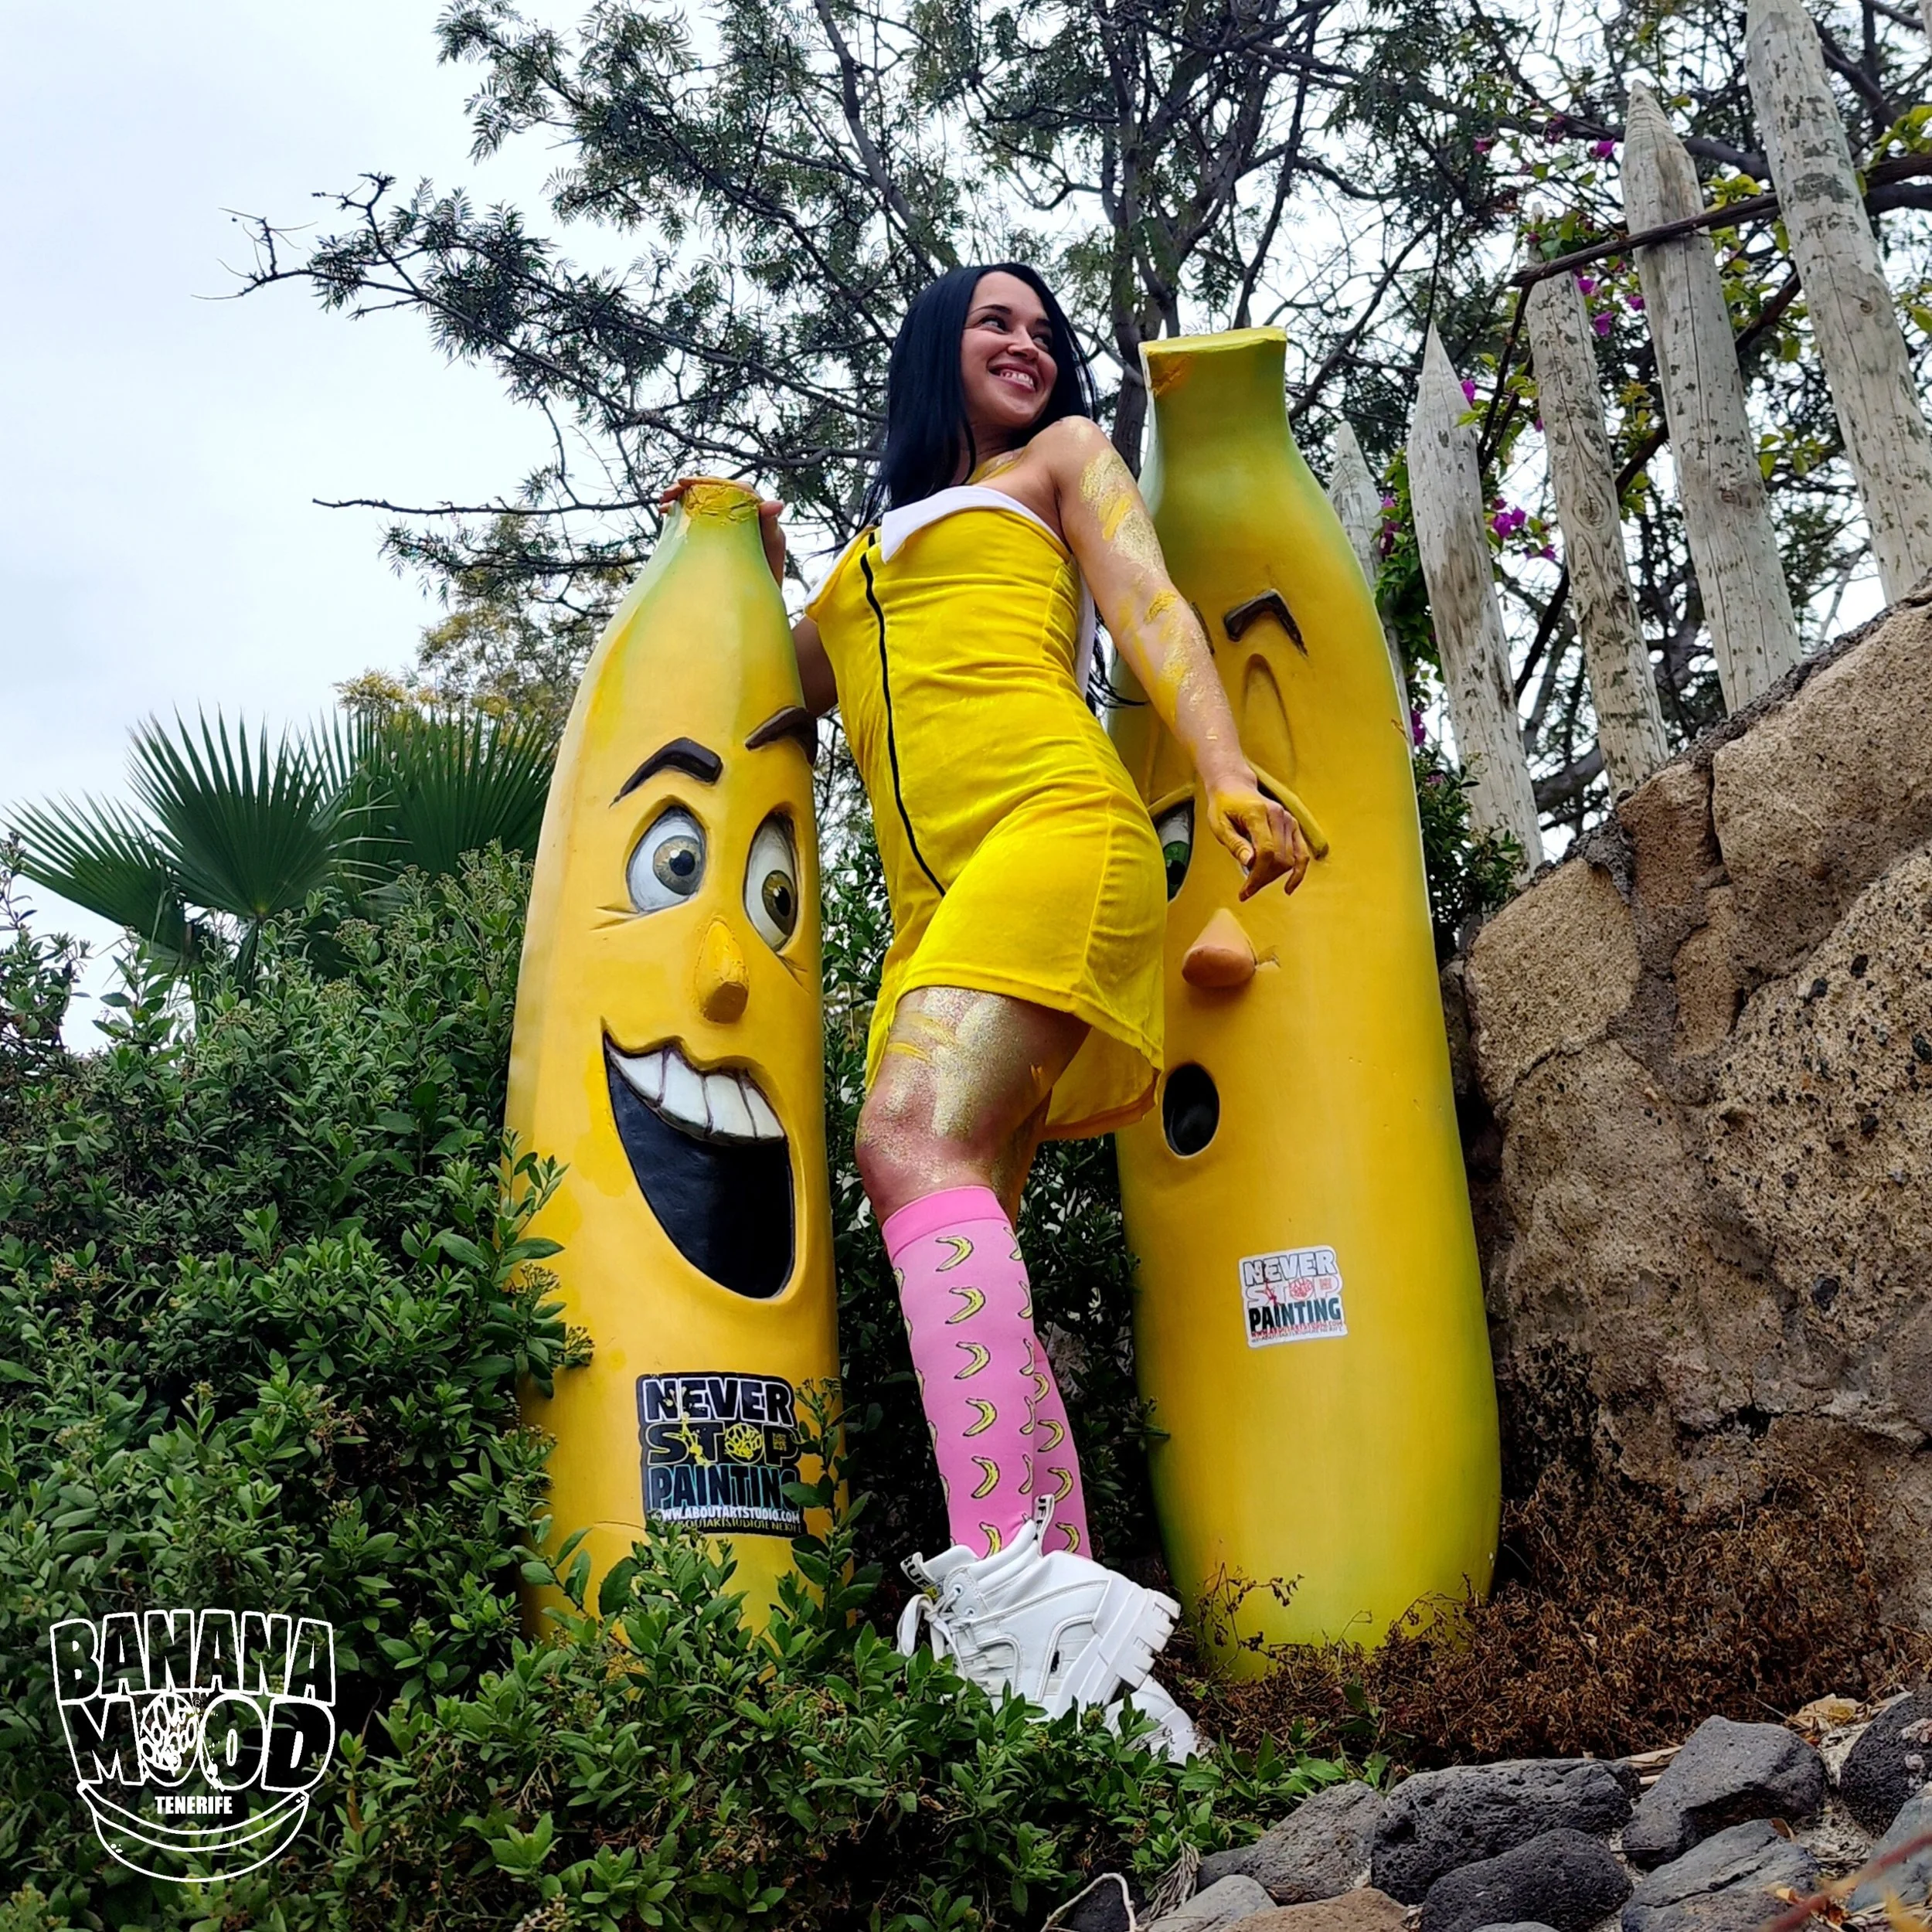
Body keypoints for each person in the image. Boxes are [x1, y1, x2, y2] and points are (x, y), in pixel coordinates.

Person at [663, 263, 1311, 1753]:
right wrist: (744, 557)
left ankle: (1010, 1596)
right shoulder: (858, 563)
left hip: (1054, 829)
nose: (1030, 345)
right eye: (996, 323)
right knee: (958, 1209)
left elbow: (1151, 609)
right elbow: (773, 686)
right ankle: (1088, 1681)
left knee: (906, 1140)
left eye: (1045, 330)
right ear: (932, 350)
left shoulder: (1062, 460)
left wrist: (1220, 771)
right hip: (932, 918)